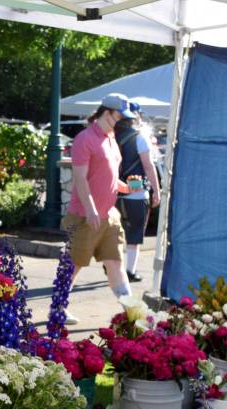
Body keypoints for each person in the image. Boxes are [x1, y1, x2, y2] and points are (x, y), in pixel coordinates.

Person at [60, 93, 135, 325]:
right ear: (107, 113)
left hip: (109, 216)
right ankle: (58, 308)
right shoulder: (84, 139)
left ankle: (133, 312)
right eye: (120, 115)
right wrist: (91, 209)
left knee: (115, 262)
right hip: (85, 216)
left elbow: (108, 176)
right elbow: (81, 179)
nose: (123, 120)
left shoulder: (111, 137)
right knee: (75, 264)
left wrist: (127, 188)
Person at [114, 101, 161, 283]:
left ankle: (111, 266)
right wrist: (157, 191)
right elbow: (148, 167)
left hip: (114, 190)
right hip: (136, 191)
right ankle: (130, 271)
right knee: (134, 232)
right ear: (135, 117)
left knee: (114, 231)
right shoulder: (139, 137)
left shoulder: (110, 136)